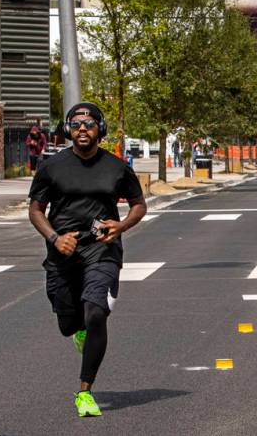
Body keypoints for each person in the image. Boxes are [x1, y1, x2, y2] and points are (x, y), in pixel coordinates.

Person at [28, 102, 147, 418]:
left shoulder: (117, 168)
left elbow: (138, 205)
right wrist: (55, 238)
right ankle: (78, 331)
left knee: (96, 313)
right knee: (69, 324)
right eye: (76, 124)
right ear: (68, 130)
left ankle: (85, 392)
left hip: (103, 251)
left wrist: (120, 226)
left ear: (100, 130)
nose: (83, 128)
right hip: (62, 254)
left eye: (90, 123)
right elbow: (35, 210)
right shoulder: (51, 168)